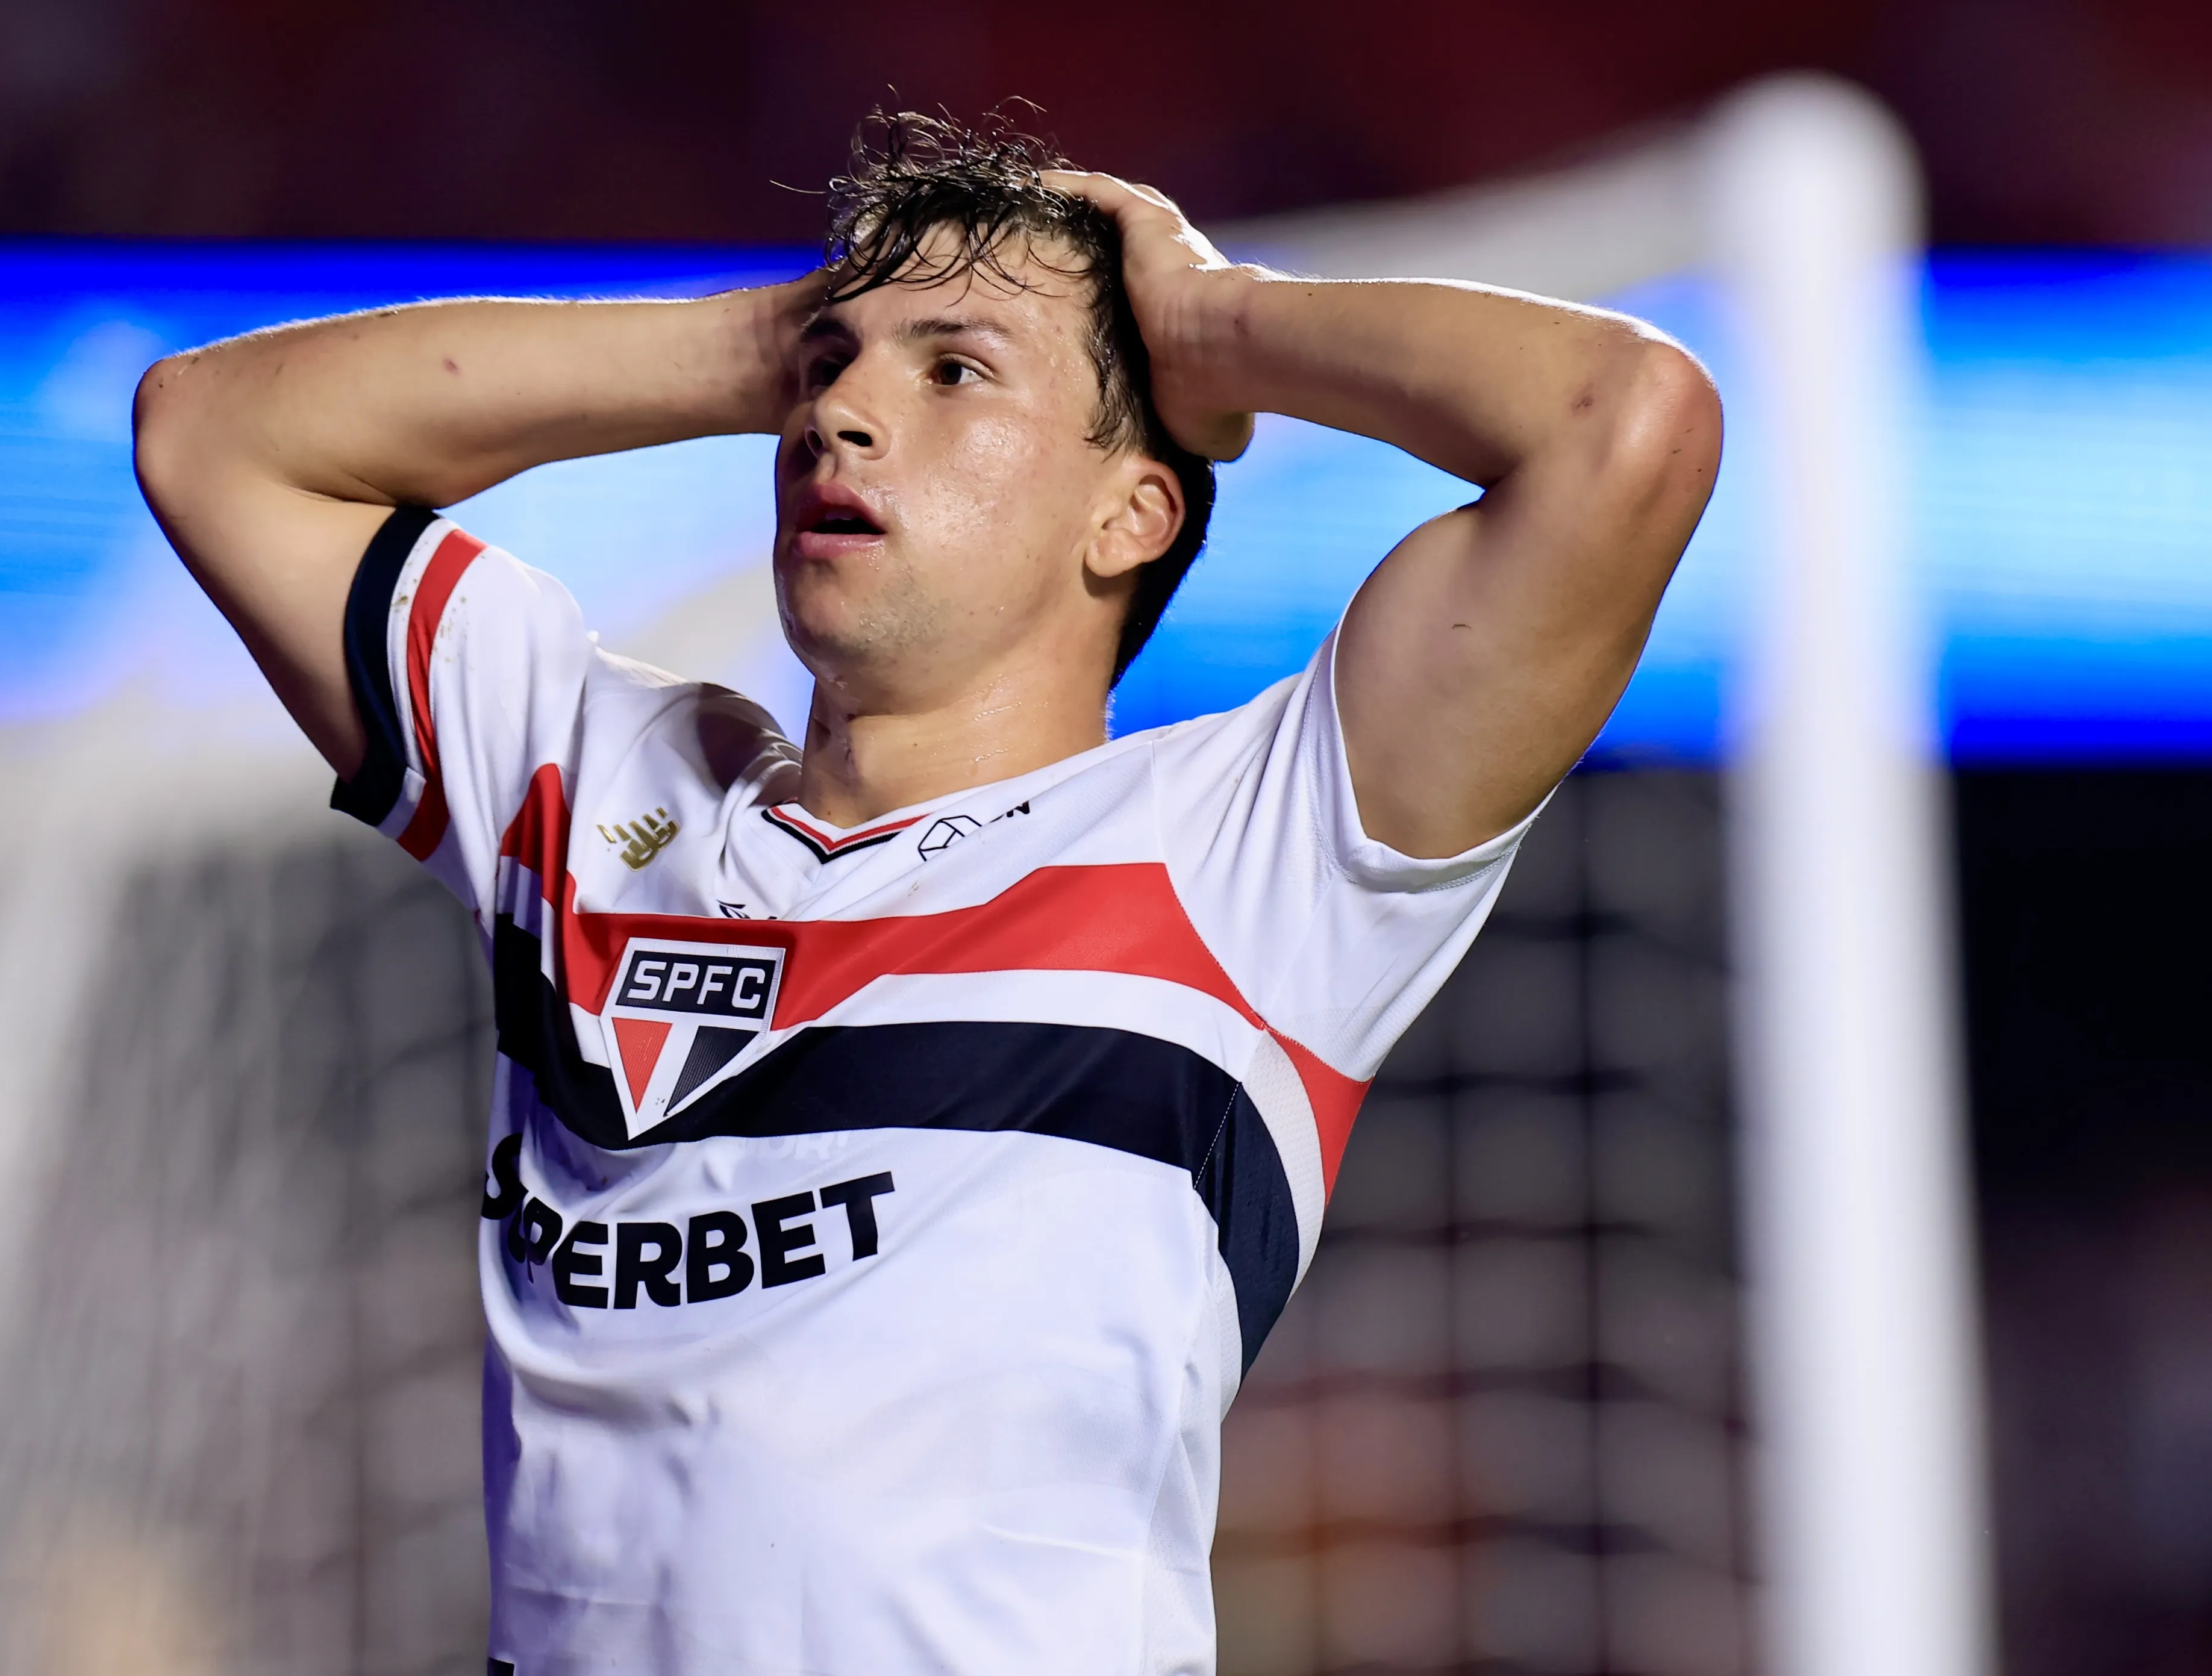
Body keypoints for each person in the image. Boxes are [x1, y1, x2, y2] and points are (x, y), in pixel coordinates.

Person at [133, 110, 1719, 1676]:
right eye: (831, 376)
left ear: (1130, 512)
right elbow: (209, 432)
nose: (844, 419)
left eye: (956, 372)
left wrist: (1205, 319)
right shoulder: (594, 779)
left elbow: (1624, 421)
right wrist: (770, 339)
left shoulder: (1249, 845)